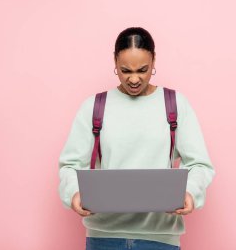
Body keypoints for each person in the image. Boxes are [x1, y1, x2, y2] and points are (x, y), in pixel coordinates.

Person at [58, 27, 215, 250]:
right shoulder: (94, 107)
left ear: (154, 61)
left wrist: (189, 192)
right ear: (114, 62)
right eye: (125, 70)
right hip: (104, 238)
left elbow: (200, 164)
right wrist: (74, 193)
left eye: (143, 70)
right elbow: (70, 165)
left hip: (160, 239)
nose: (133, 79)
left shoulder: (175, 104)